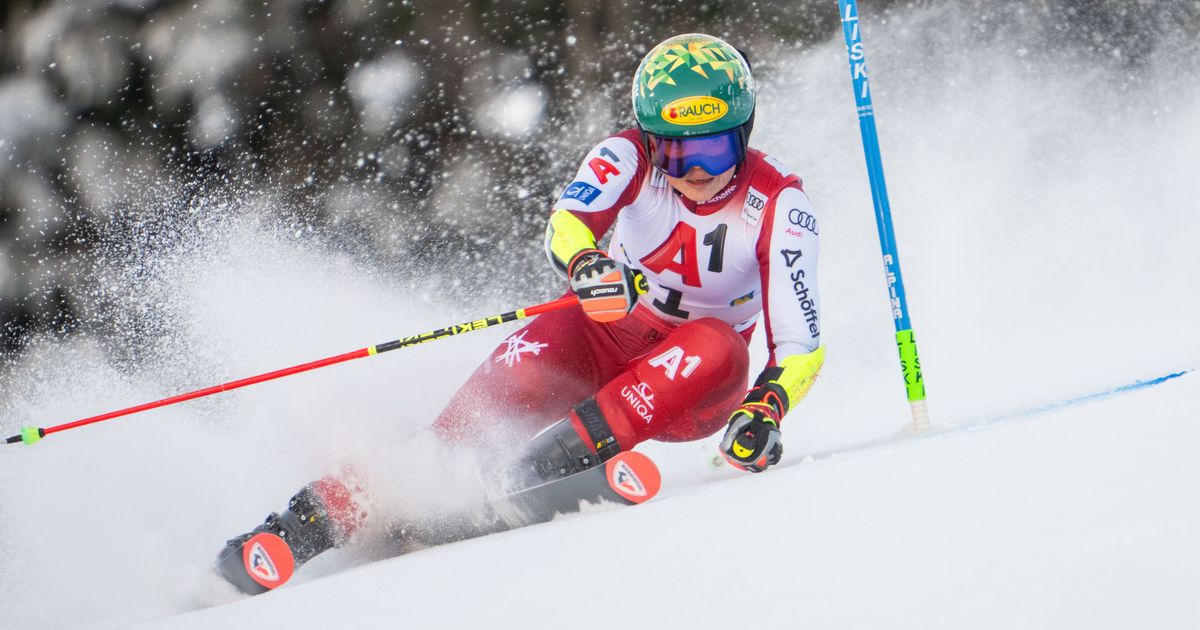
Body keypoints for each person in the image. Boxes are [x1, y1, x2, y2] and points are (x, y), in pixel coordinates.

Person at [217, 33, 824, 594]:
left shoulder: (780, 205)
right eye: (673, 151)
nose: (693, 172)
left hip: (690, 387)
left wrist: (764, 409)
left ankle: (536, 473)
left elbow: (801, 343)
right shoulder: (626, 156)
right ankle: (305, 525)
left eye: (713, 149)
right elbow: (567, 222)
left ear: (744, 132)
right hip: (605, 335)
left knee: (717, 342)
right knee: (467, 423)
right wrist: (587, 264)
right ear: (649, 140)